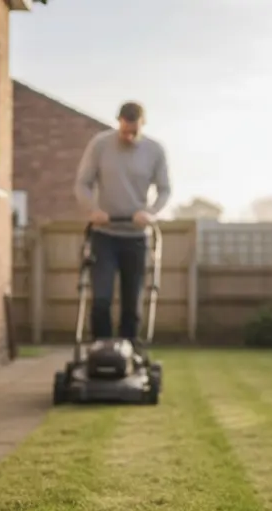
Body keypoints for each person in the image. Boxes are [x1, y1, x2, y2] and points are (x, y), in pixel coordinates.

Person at [73, 101, 172, 343]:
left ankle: (129, 352)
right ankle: (100, 349)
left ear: (143, 124)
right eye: (124, 130)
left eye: (133, 131)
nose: (128, 136)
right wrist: (93, 210)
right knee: (101, 300)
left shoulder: (155, 150)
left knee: (132, 305)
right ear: (118, 122)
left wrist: (150, 213)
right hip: (104, 235)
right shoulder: (100, 144)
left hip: (136, 239)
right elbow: (82, 183)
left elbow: (165, 190)